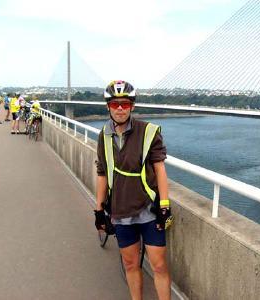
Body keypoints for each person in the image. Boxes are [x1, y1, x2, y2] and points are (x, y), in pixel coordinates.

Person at [95, 80, 173, 300]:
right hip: (120, 211)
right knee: (130, 264)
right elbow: (102, 173)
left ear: (132, 106)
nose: (120, 108)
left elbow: (160, 168)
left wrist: (164, 205)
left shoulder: (148, 132)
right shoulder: (104, 135)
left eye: (125, 104)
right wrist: (99, 210)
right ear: (108, 106)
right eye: (115, 104)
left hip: (149, 210)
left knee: (158, 265)